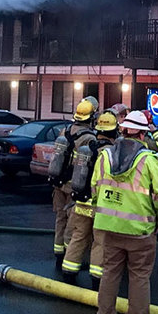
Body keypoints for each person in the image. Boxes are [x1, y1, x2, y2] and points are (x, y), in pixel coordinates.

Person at [92, 111, 158, 314]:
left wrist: (105, 215)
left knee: (109, 274)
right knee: (139, 278)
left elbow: (95, 189)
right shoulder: (149, 160)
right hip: (140, 232)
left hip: (109, 227)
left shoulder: (105, 156)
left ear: (123, 130)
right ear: (144, 133)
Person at [61, 111, 117, 289]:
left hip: (81, 202)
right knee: (100, 241)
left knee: (79, 236)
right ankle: (97, 277)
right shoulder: (110, 154)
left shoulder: (88, 149)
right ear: (114, 133)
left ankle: (69, 269)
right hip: (99, 204)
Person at [50, 98, 98, 260]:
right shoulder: (89, 138)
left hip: (59, 182)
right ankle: (69, 254)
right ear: (91, 117)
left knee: (60, 217)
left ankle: (58, 250)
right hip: (73, 184)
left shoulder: (66, 130)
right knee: (73, 222)